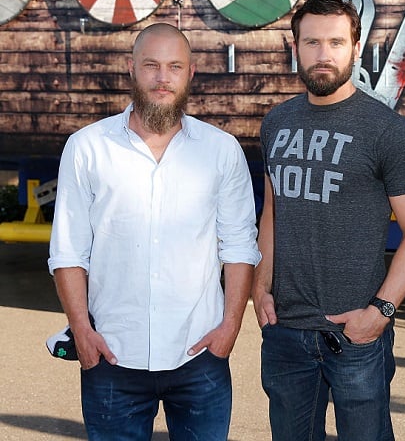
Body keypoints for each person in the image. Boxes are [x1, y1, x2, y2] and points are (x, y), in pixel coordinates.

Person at [48, 23, 262, 440]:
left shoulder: (221, 150)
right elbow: (69, 251)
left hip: (200, 355)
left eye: (174, 67)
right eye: (151, 65)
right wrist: (82, 332)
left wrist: (230, 327)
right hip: (111, 355)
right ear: (131, 69)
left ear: (190, 73)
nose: (163, 78)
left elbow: (239, 246)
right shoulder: (87, 147)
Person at [252, 0, 405, 441]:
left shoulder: (389, 131)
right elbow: (272, 211)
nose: (323, 54)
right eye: (312, 42)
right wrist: (260, 286)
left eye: (335, 42)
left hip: (357, 334)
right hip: (286, 331)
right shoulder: (276, 124)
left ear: (356, 48)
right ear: (295, 47)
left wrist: (381, 312)